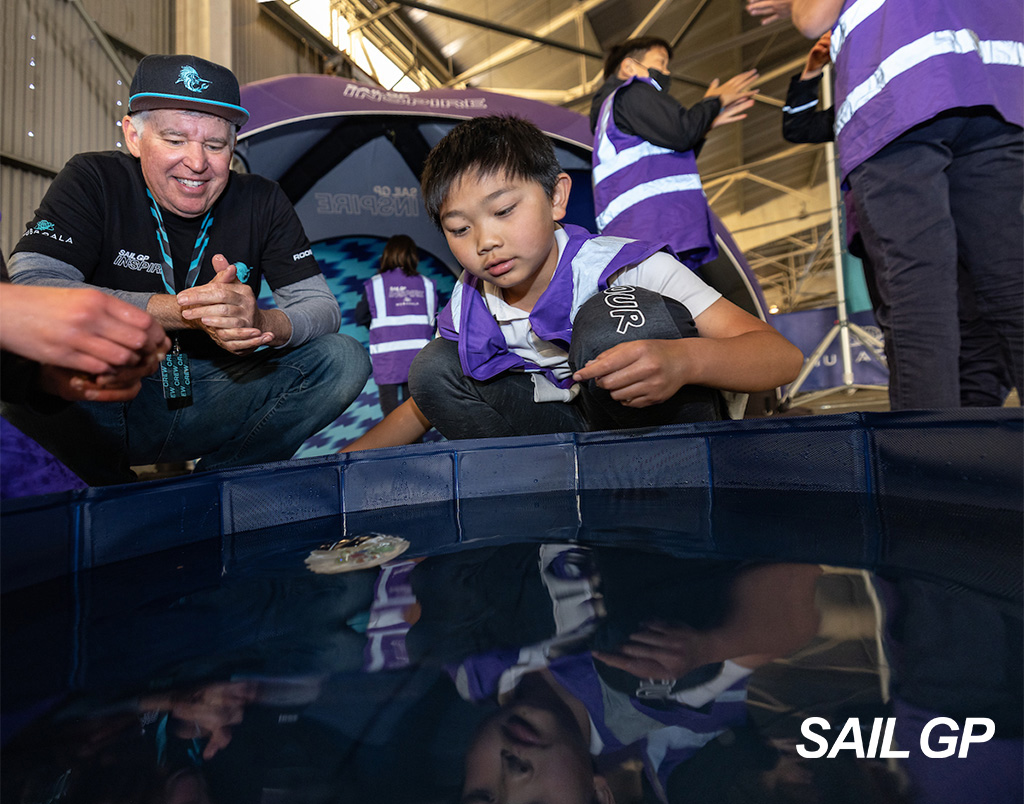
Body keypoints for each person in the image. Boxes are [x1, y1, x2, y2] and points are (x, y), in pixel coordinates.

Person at [2, 54, 370, 484]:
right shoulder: (94, 178)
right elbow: (31, 287)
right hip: (104, 393)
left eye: (215, 146)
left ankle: (219, 490)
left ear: (233, 146)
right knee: (29, 360)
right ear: (133, 136)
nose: (197, 163)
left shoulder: (262, 200)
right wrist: (182, 310)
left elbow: (321, 307)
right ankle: (103, 493)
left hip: (214, 394)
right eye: (175, 140)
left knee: (343, 359)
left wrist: (261, 320)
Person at [342, 115, 802, 450]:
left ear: (557, 197)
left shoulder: (626, 267)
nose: (486, 241)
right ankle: (544, 498)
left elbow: (781, 357)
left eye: (504, 211)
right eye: (460, 228)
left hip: (671, 444)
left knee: (611, 319)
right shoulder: (469, 305)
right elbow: (425, 402)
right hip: (568, 449)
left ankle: (668, 485)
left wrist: (684, 360)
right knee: (434, 367)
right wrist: (336, 471)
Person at [789, 0, 1023, 410]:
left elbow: (810, 19)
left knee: (920, 295)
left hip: (900, 94)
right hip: (992, 86)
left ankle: (932, 461)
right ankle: (971, 434)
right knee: (1011, 285)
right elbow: (801, 125)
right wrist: (810, 75)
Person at [589, 37, 759, 271]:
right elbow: (681, 133)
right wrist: (713, 102)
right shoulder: (632, 93)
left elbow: (667, 158)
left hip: (639, 231)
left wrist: (705, 124)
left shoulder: (609, 114)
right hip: (656, 227)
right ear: (629, 67)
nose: (667, 72)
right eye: (661, 62)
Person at [353, 235, 437, 416]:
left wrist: (377, 326)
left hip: (387, 359)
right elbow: (433, 320)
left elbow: (360, 316)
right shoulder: (426, 284)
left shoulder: (376, 283)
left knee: (391, 422)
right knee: (414, 418)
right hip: (418, 359)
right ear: (413, 256)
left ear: (387, 254)